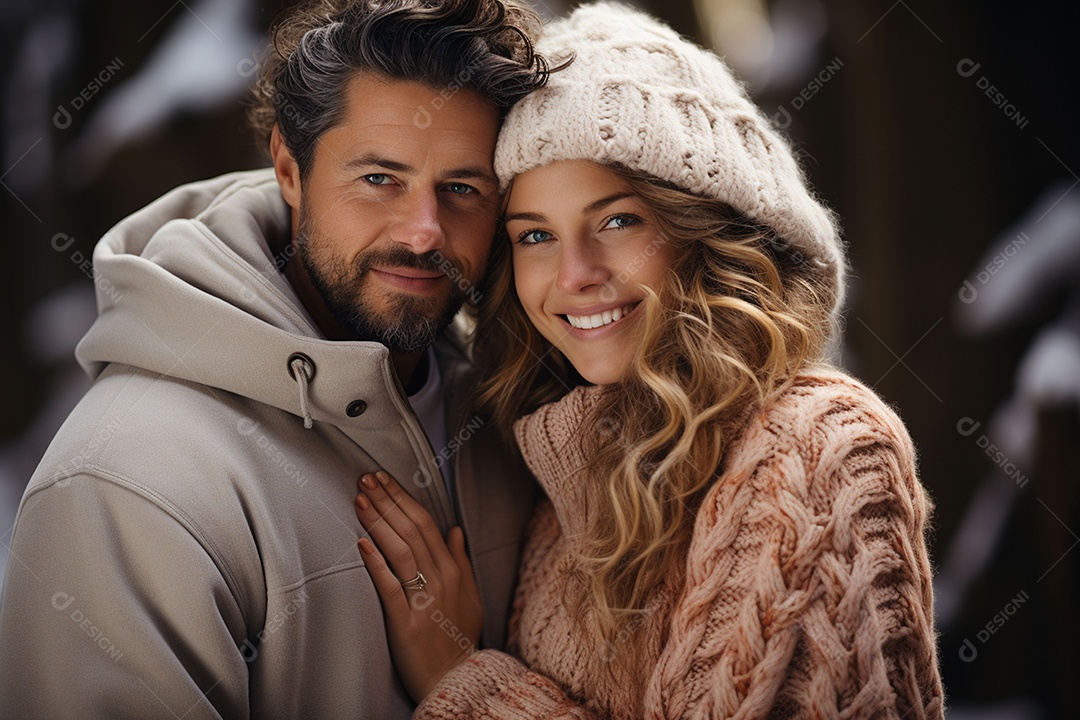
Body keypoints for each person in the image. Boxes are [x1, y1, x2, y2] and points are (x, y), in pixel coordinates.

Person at [352, 3, 946, 717]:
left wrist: (463, 682)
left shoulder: (819, 446)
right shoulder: (557, 479)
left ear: (703, 230)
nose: (575, 274)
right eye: (535, 235)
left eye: (617, 221)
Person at [0, 1, 550, 717]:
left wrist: (466, 682)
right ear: (290, 168)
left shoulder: (520, 417)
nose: (424, 233)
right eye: (379, 179)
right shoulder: (128, 484)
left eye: (461, 189)